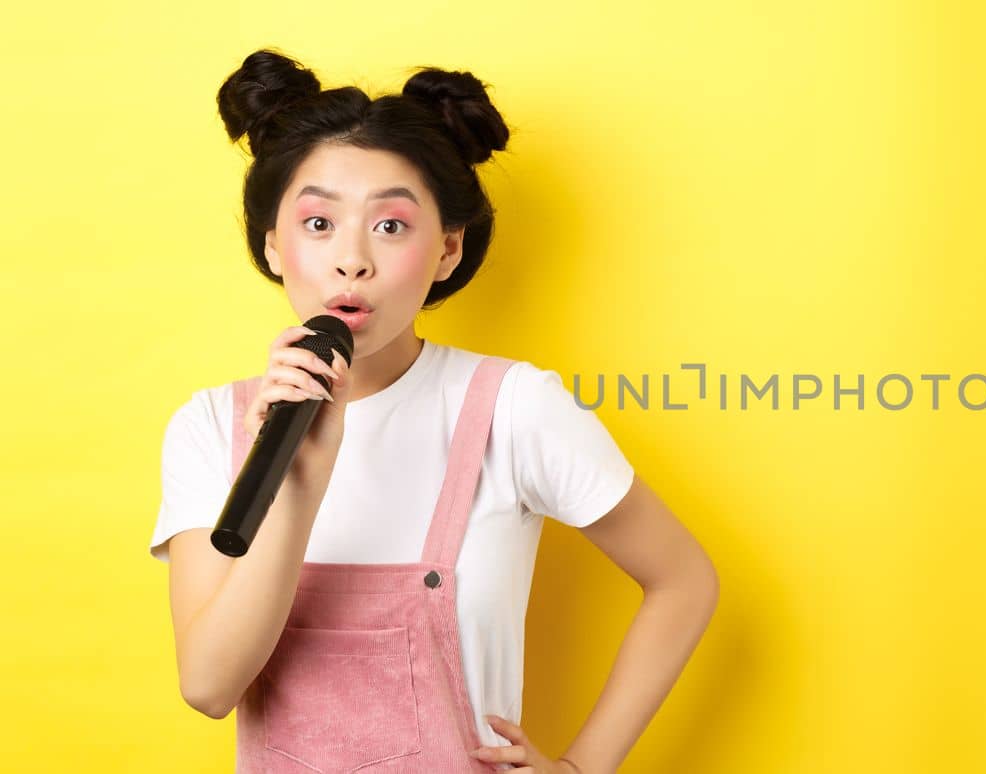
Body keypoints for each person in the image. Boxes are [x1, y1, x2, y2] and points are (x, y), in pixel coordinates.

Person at [148, 48, 720, 774]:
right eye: (319, 224)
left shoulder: (513, 407)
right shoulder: (210, 427)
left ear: (448, 249)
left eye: (390, 226)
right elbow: (207, 685)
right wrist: (299, 487)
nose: (352, 260)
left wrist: (583, 767)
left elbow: (684, 579)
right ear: (273, 245)